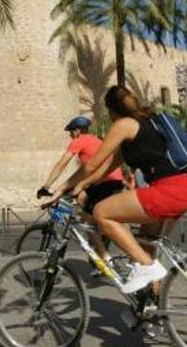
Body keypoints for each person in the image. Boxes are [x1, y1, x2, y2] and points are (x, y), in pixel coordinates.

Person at [45, 86, 187, 294]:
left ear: (111, 109)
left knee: (101, 213)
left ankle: (147, 268)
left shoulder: (124, 125)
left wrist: (61, 188)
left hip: (167, 191)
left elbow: (91, 164)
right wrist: (82, 184)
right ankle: (151, 313)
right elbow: (106, 167)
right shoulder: (143, 127)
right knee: (144, 247)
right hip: (185, 188)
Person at [38, 116, 124, 271]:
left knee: (86, 222)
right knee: (82, 198)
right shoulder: (96, 140)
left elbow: (62, 164)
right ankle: (101, 236)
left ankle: (106, 260)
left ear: (77, 131)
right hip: (111, 180)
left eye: (71, 132)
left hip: (103, 182)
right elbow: (86, 170)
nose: (70, 136)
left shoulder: (79, 140)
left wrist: (47, 185)